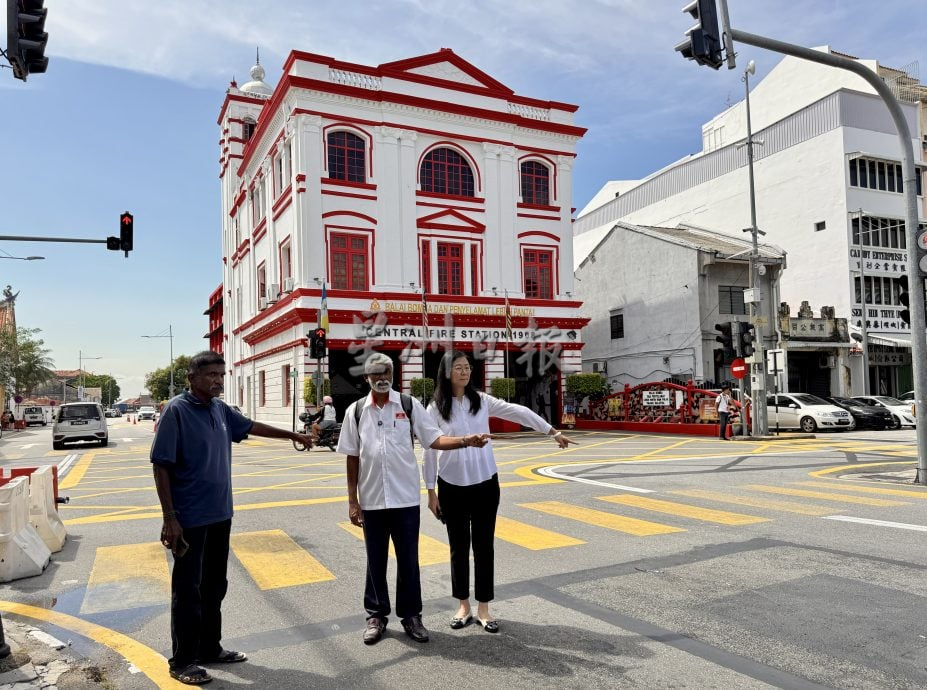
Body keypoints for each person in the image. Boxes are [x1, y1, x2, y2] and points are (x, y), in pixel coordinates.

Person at [151, 350, 313, 686]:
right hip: (189, 517)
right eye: (211, 375)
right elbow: (161, 464)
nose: (218, 381)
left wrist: (292, 435)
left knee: (214, 586)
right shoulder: (176, 411)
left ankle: (209, 647)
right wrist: (170, 517)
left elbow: (251, 426)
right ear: (192, 378)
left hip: (220, 513)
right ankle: (182, 661)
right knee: (188, 590)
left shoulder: (219, 409)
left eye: (221, 375)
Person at [337, 351, 489, 646]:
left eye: (387, 372)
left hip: (405, 499)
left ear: (393, 375)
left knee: (408, 560)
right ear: (367, 378)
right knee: (375, 560)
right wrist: (352, 501)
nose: (382, 378)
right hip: (372, 500)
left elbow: (433, 439)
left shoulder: (408, 405)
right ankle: (376, 616)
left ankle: (411, 616)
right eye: (376, 373)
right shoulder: (355, 411)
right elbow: (352, 457)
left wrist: (464, 441)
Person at [423, 351, 575, 634]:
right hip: (452, 487)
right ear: (446, 373)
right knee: (458, 548)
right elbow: (430, 449)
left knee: (484, 547)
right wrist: (431, 491)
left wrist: (551, 431)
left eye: (467, 367)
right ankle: (463, 605)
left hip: (485, 484)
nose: (465, 372)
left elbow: (518, 411)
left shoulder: (481, 401)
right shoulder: (435, 409)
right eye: (458, 368)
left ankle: (484, 607)